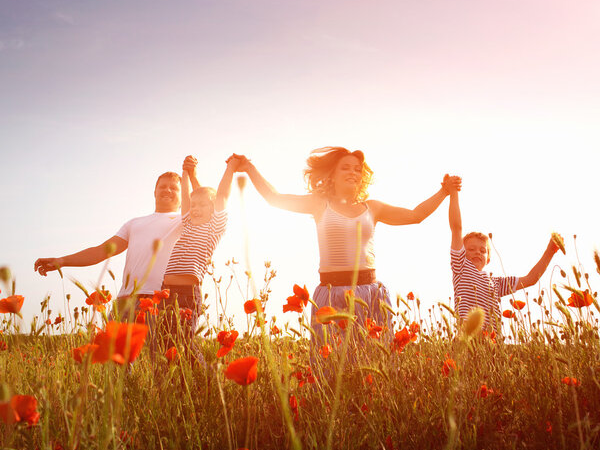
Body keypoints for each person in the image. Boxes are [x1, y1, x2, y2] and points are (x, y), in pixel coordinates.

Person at [233, 147, 461, 342]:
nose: (353, 172)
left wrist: (444, 191)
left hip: (370, 295)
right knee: (331, 367)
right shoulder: (319, 204)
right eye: (346, 167)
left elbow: (416, 215)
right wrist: (249, 167)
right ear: (332, 175)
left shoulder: (373, 208)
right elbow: (275, 198)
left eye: (357, 169)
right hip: (332, 295)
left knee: (373, 364)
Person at [34, 166, 184, 320]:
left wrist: (191, 175)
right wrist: (62, 261)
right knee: (113, 345)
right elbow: (101, 251)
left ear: (183, 195)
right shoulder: (134, 223)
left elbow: (207, 209)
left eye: (174, 188)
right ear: (155, 192)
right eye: (163, 186)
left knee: (156, 345)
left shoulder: (185, 221)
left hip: (160, 299)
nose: (167, 190)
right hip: (125, 301)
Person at [448, 184, 563, 333]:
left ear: (488, 259)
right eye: (471, 249)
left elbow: (531, 279)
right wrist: (453, 193)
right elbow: (456, 228)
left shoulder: (497, 283)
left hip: (492, 345)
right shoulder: (461, 267)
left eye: (482, 250)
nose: (477, 252)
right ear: (462, 253)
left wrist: (550, 251)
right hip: (467, 340)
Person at [153, 154, 238, 355]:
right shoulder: (186, 224)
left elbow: (222, 196)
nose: (196, 209)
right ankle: (175, 384)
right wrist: (186, 172)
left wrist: (230, 169)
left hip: (187, 294)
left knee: (183, 342)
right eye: (193, 206)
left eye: (202, 206)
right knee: (165, 343)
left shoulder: (213, 228)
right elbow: (188, 196)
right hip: (166, 291)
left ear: (213, 208)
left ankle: (203, 378)